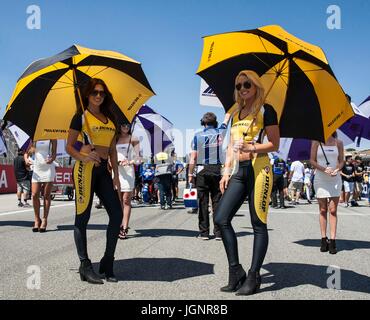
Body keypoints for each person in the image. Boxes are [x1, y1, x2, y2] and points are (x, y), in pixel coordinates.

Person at [214, 70, 279, 296]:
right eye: (239, 85)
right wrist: (225, 172)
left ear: (256, 86)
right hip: (238, 171)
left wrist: (251, 146)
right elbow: (232, 146)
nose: (243, 88)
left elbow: (274, 144)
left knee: (257, 223)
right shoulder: (235, 113)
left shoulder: (266, 110)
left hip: (260, 168)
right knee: (221, 218)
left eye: (247, 84)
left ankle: (254, 275)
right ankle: (236, 271)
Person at [66, 78, 122, 284]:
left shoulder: (110, 118)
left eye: (102, 93)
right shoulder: (79, 117)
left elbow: (113, 150)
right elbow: (69, 147)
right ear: (87, 95)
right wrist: (84, 156)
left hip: (104, 170)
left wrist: (116, 175)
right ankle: (85, 265)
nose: (98, 96)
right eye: (94, 92)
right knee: (83, 218)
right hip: (85, 170)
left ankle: (108, 262)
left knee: (117, 215)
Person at [189, 112, 231, 240]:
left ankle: (204, 233)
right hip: (217, 170)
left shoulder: (197, 136)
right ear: (215, 122)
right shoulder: (221, 132)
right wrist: (230, 111)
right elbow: (226, 121)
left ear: (203, 122)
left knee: (202, 202)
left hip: (202, 170)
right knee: (217, 202)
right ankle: (218, 233)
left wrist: (190, 173)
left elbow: (193, 157)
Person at [310, 132, 344, 254]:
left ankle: (333, 241)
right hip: (320, 178)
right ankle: (324, 239)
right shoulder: (315, 142)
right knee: (323, 210)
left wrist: (337, 169)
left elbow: (341, 161)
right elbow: (312, 161)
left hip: (335, 179)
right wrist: (324, 169)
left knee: (333, 210)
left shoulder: (338, 143)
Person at [115, 122, 140, 240]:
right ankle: (118, 224)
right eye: (123, 124)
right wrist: (112, 162)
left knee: (126, 200)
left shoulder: (133, 139)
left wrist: (130, 162)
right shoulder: (114, 138)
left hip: (128, 172)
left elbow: (139, 158)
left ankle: (124, 227)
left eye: (127, 125)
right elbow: (111, 154)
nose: (125, 127)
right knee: (118, 200)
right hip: (117, 172)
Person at [28, 139, 57, 232]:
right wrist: (29, 154)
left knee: (46, 195)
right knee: (34, 194)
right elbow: (28, 152)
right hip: (37, 168)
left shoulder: (52, 136)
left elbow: (54, 154)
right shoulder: (35, 136)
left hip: (48, 168)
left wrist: (51, 159)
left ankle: (44, 219)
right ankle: (37, 219)